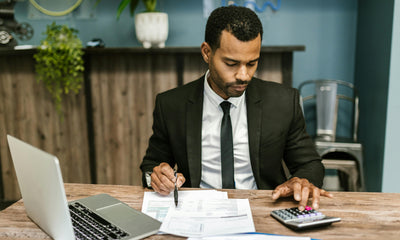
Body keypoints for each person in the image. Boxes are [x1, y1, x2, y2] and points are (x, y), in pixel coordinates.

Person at [140, 5, 332, 211]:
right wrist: (156, 177)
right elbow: (151, 166)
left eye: (252, 63)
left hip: (263, 210)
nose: (243, 75)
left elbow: (310, 164)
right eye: (231, 63)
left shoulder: (283, 102)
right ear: (207, 52)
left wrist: (301, 180)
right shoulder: (171, 105)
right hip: (196, 211)